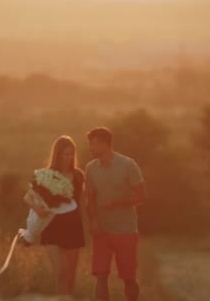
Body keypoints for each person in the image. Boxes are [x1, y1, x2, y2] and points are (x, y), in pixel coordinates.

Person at [85, 127, 147, 301]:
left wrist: (119, 203)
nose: (90, 147)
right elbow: (89, 200)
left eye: (93, 144)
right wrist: (93, 222)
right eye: (89, 143)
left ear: (105, 144)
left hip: (125, 230)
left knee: (129, 278)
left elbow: (142, 196)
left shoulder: (128, 165)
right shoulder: (90, 169)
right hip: (101, 231)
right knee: (101, 275)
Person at [23, 135, 86, 296]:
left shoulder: (79, 175)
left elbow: (81, 204)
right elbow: (27, 197)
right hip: (51, 226)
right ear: (57, 155)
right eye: (65, 154)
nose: (69, 157)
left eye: (72, 153)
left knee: (71, 276)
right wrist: (37, 209)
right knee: (60, 272)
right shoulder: (46, 175)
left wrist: (88, 225)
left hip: (73, 227)